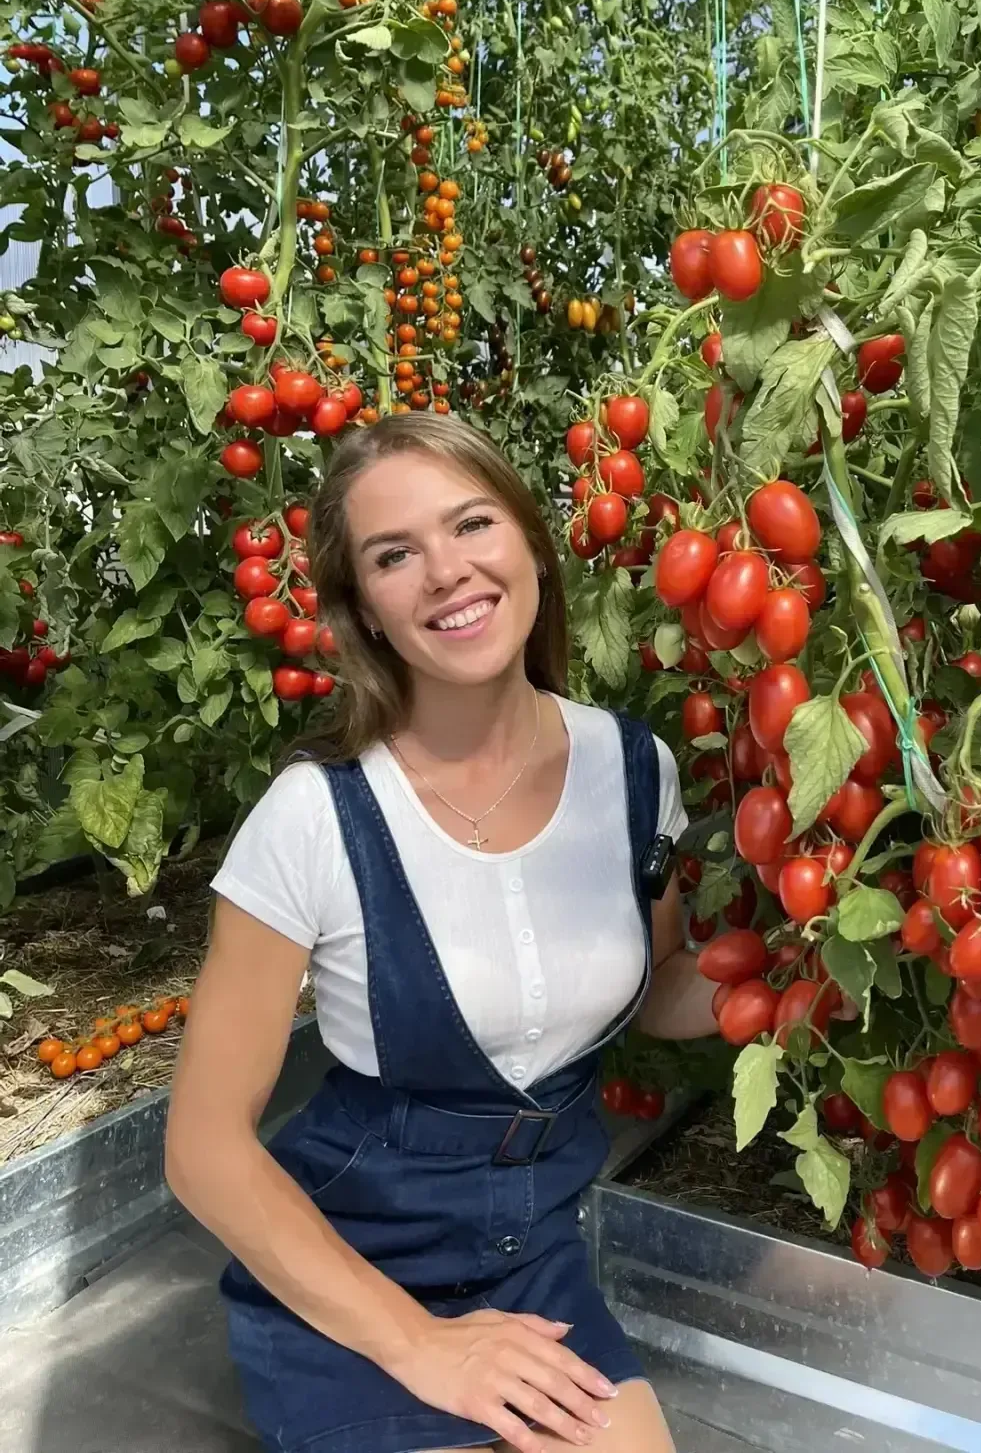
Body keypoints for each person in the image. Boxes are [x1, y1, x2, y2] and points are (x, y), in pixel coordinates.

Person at [165, 413, 719, 1453]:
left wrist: (789, 979)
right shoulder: (316, 817)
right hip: (344, 1269)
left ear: (531, 546)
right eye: (394, 555)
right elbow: (201, 1147)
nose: (445, 571)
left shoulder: (634, 769)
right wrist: (423, 1344)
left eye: (471, 524)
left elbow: (657, 984)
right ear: (364, 610)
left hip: (531, 1256)